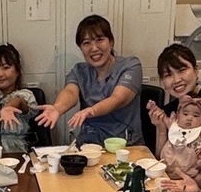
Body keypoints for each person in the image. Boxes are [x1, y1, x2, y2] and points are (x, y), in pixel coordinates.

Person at [34, 14, 144, 144]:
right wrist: (57, 108)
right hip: (90, 145)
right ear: (80, 48)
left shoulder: (130, 65)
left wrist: (92, 110)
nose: (94, 48)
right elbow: (70, 92)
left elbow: (118, 99)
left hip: (125, 144)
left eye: (99, 40)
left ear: (111, 42)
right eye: (86, 43)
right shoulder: (79, 71)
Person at [142, 44, 201, 188]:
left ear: (196, 71)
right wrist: (161, 129)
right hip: (174, 185)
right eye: (168, 75)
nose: (176, 79)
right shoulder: (167, 112)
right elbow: (160, 159)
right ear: (162, 82)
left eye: (182, 70)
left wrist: (198, 158)